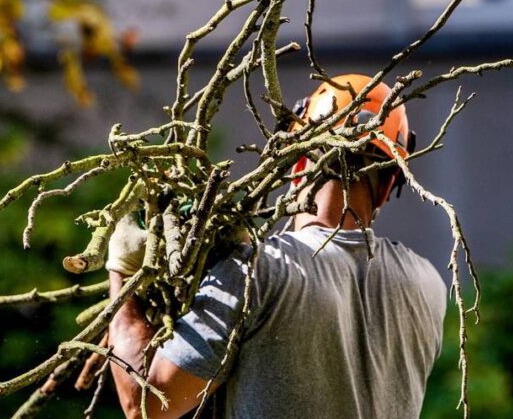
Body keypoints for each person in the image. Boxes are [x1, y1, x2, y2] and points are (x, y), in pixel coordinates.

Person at [105, 74, 448, 419]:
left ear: (296, 164)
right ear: (389, 185)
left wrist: (123, 277)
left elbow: (146, 404)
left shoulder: (258, 271)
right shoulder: (428, 286)